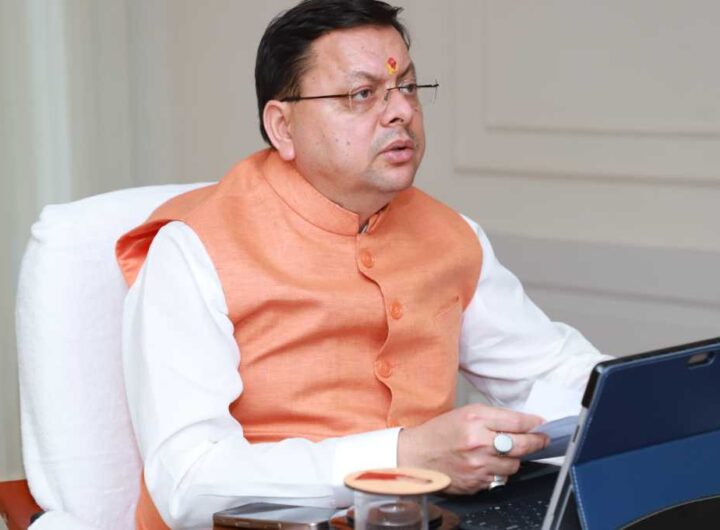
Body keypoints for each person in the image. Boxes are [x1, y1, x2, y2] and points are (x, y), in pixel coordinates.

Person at [116, 1, 610, 528]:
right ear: (282, 127)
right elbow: (189, 481)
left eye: (407, 87)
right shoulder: (193, 250)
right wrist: (401, 456)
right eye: (362, 94)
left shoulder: (450, 235)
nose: (400, 112)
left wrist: (631, 400)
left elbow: (551, 369)